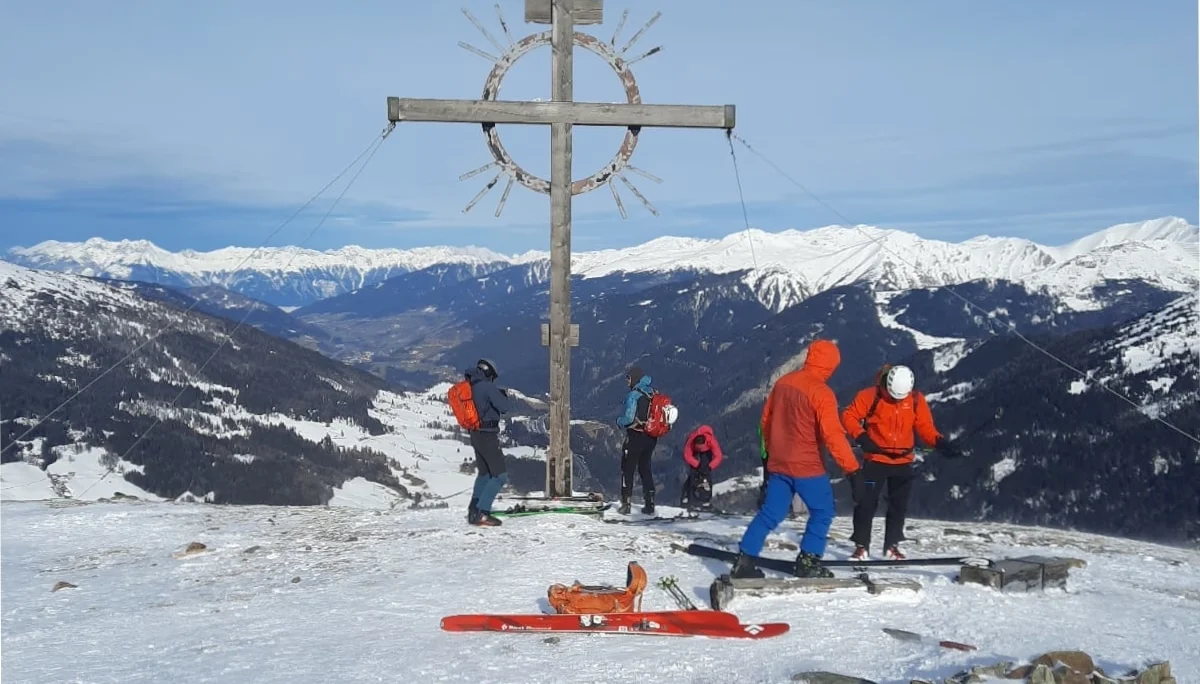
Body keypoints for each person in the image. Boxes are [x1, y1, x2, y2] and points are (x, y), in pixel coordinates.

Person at [731, 339, 865, 579]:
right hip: (807, 467)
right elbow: (833, 436)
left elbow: (766, 421)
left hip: (779, 463)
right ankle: (808, 561)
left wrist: (768, 456)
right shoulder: (822, 393)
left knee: (770, 512)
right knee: (822, 511)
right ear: (831, 365)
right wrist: (853, 471)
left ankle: (744, 560)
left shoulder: (784, 382)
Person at [840, 363, 961, 560]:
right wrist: (862, 437)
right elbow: (848, 416)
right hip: (875, 461)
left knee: (898, 505)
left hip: (903, 463)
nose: (896, 399)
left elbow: (925, 427)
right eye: (893, 395)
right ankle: (861, 546)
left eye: (901, 397)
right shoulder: (869, 396)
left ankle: (892, 546)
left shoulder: (915, 400)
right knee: (866, 502)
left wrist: (940, 442)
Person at [464, 358, 512, 527]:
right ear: (489, 373)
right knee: (499, 475)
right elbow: (504, 407)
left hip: (475, 434)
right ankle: (483, 513)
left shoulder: (470, 385)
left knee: (484, 474)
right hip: (487, 435)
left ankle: (473, 510)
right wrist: (501, 395)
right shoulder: (487, 387)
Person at [615, 366, 658, 515]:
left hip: (635, 435)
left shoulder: (634, 395)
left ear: (634, 378)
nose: (627, 381)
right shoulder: (652, 392)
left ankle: (626, 503)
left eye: (628, 378)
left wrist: (619, 421)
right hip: (651, 437)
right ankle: (650, 503)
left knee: (628, 469)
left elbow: (629, 418)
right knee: (645, 468)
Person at [680, 425, 723, 510]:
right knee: (693, 474)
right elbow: (687, 455)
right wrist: (697, 464)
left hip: (707, 453)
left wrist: (710, 466)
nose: (700, 450)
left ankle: (705, 499)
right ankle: (689, 498)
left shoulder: (711, 441)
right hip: (694, 454)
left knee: (706, 476)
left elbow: (718, 456)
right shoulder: (691, 441)